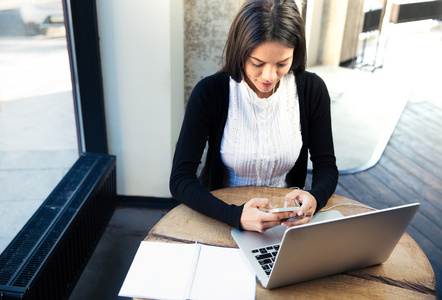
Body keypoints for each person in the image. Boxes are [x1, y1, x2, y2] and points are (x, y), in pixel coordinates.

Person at [170, 0, 338, 232]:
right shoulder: (210, 93)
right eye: (257, 63)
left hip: (285, 221)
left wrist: (316, 198)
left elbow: (326, 165)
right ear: (240, 50)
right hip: (222, 216)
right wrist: (235, 216)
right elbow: (180, 179)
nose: (269, 76)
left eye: (282, 63)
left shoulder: (312, 90)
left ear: (295, 53)